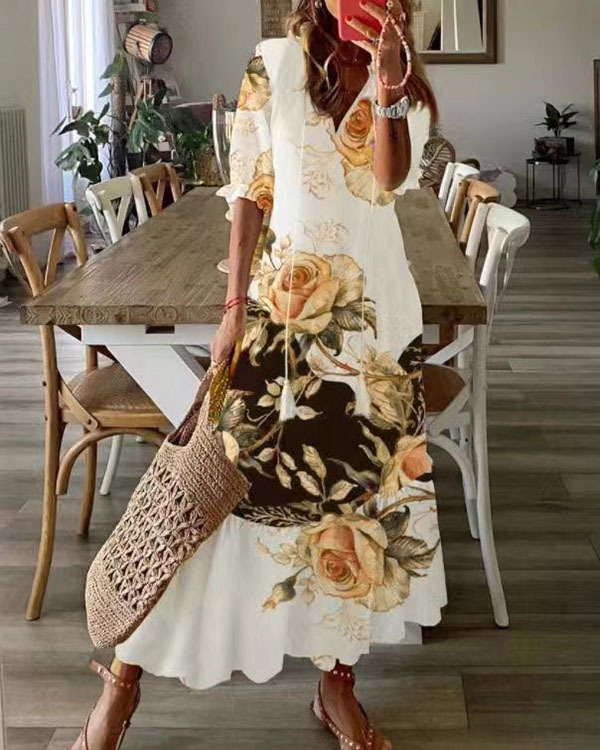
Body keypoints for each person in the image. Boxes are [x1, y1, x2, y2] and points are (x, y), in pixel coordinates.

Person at [71, 1, 447, 748]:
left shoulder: (402, 74)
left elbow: (388, 179)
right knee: (207, 503)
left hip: (377, 329)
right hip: (283, 312)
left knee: (356, 513)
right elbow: (248, 193)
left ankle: (336, 684)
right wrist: (232, 306)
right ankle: (122, 680)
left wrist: (389, 82)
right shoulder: (273, 65)